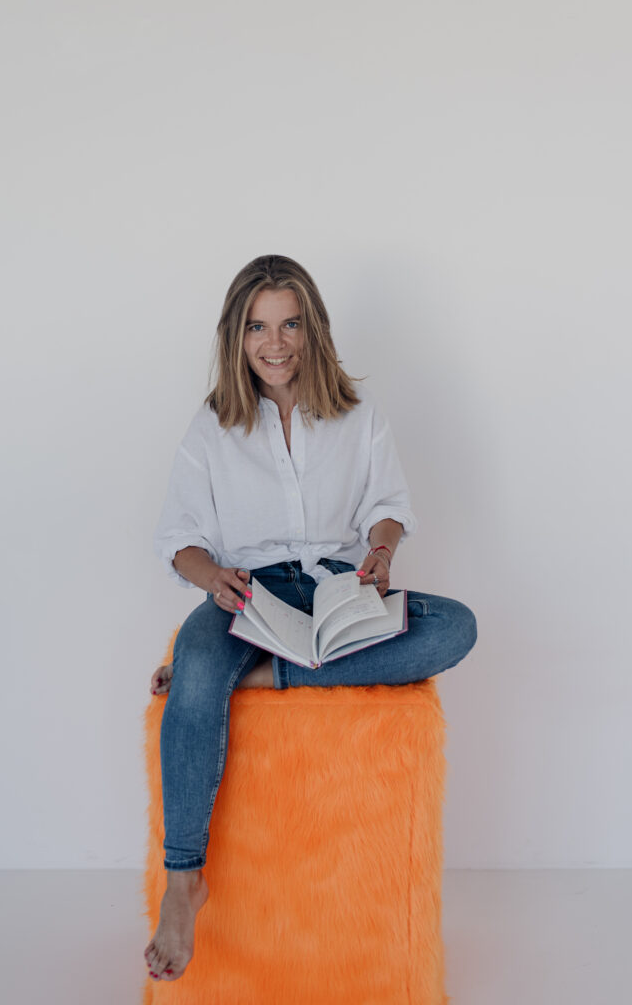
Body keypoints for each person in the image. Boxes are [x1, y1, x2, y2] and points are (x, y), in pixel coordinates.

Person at [143, 254, 477, 983]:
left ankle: (264, 676)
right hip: (245, 593)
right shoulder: (212, 426)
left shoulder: (359, 415)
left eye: (290, 324)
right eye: (258, 327)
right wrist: (211, 577)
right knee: (197, 664)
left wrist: (381, 552)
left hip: (337, 588)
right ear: (236, 335)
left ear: (312, 329)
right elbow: (179, 539)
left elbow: (387, 508)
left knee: (455, 627)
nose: (275, 343)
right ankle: (183, 881)